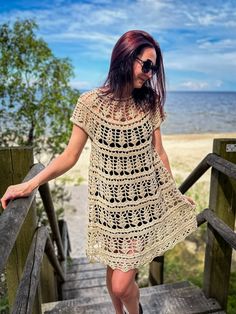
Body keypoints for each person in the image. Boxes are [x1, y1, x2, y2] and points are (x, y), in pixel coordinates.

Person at [1, 30, 197, 314]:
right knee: (111, 272)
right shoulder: (90, 104)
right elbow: (70, 156)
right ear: (126, 58)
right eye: (147, 64)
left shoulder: (150, 102)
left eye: (154, 67)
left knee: (121, 285)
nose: (150, 73)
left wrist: (175, 193)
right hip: (109, 209)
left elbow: (159, 152)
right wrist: (29, 185)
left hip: (142, 207)